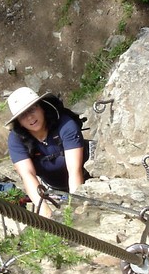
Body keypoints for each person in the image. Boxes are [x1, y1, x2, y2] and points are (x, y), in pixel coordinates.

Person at [5, 87, 89, 215]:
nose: (30, 118)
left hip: (86, 178)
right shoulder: (16, 139)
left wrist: (75, 209)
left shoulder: (66, 125)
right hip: (52, 188)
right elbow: (27, 175)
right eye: (23, 115)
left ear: (42, 108)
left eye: (32, 109)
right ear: (19, 122)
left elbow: (74, 170)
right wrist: (46, 215)